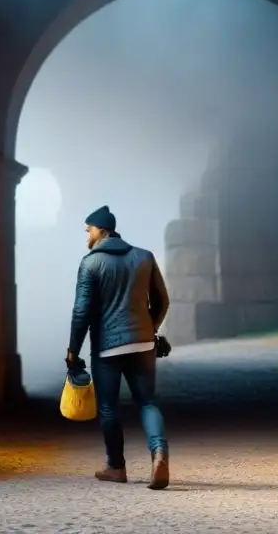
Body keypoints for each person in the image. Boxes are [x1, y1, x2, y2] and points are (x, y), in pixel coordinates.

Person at [66, 205, 171, 490]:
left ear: (102, 230)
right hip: (143, 343)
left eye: (88, 229)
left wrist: (73, 351)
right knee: (147, 402)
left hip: (107, 349)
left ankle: (116, 466)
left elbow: (81, 312)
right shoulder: (144, 257)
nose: (86, 234)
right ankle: (159, 454)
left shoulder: (90, 263)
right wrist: (152, 328)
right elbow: (162, 301)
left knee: (109, 407)